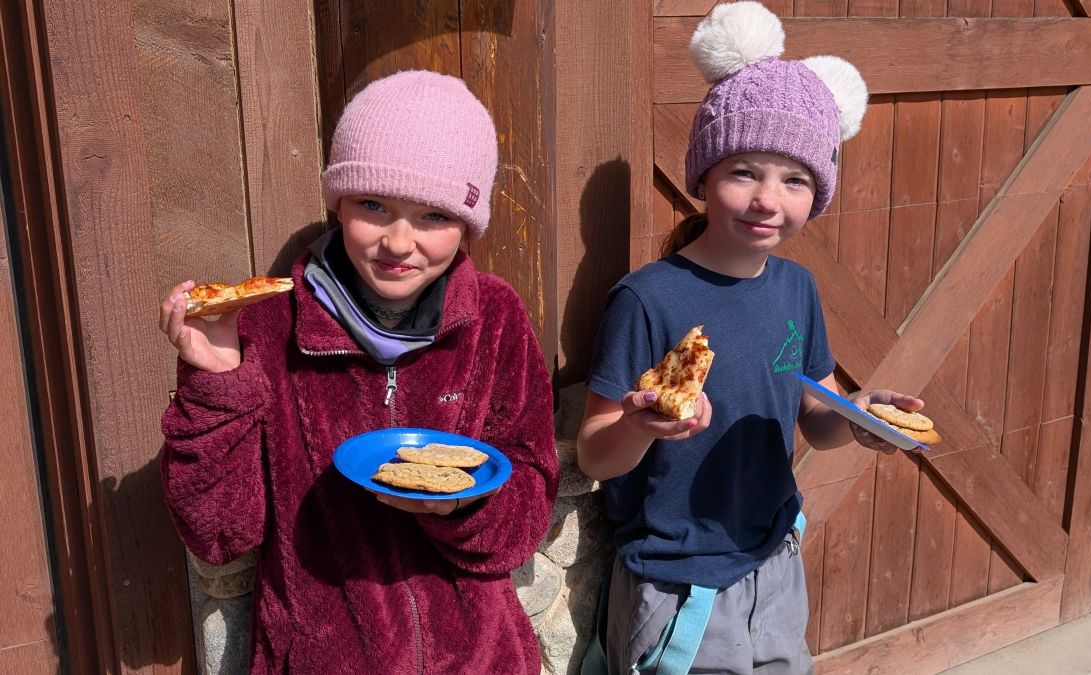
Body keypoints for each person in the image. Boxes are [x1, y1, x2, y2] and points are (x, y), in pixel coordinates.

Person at [158, 70, 558, 674]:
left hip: (482, 659)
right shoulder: (267, 325)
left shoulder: (494, 318)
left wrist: (462, 508)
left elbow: (525, 514)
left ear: (468, 222)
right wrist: (215, 384)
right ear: (337, 200)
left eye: (433, 216)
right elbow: (220, 533)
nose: (399, 242)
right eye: (373, 204)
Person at [576, 3, 924, 674]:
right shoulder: (649, 297)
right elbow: (596, 455)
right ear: (703, 174)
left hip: (775, 563)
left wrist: (860, 417)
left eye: (795, 180)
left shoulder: (797, 289)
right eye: (745, 172)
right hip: (680, 585)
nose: (769, 199)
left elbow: (815, 416)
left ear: (817, 194)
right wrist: (647, 426)